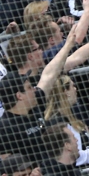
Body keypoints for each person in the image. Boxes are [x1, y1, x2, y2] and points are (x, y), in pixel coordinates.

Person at [0, 26, 78, 161]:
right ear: (19, 95)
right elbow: (6, 162)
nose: (34, 89)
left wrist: (69, 44)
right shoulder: (5, 128)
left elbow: (50, 73)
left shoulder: (36, 105)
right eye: (30, 88)